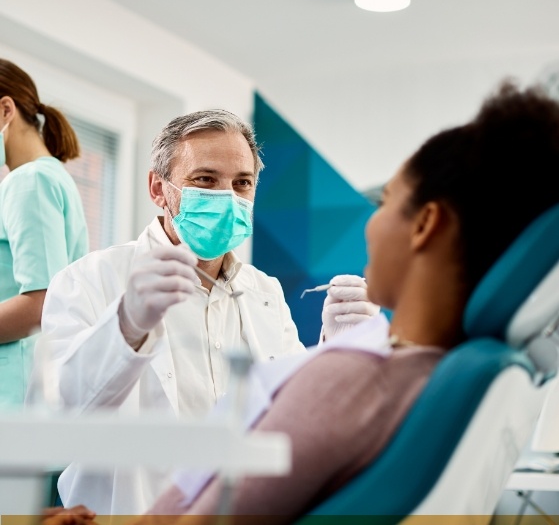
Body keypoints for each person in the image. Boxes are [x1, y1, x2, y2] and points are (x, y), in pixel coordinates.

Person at [139, 82, 559, 523]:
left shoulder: (349, 380)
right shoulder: (460, 374)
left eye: (386, 200)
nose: (369, 225)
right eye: (206, 180)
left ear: (426, 225)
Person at [29, 109, 376, 515]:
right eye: (205, 180)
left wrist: (333, 350)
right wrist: (127, 326)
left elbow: (290, 418)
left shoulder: (265, 292)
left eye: (242, 183)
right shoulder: (90, 278)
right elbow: (63, 417)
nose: (227, 197)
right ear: (159, 189)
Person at [0, 58, 88, 410]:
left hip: (18, 394)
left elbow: (41, 303)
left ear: (5, 109)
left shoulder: (29, 182)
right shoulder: (49, 177)